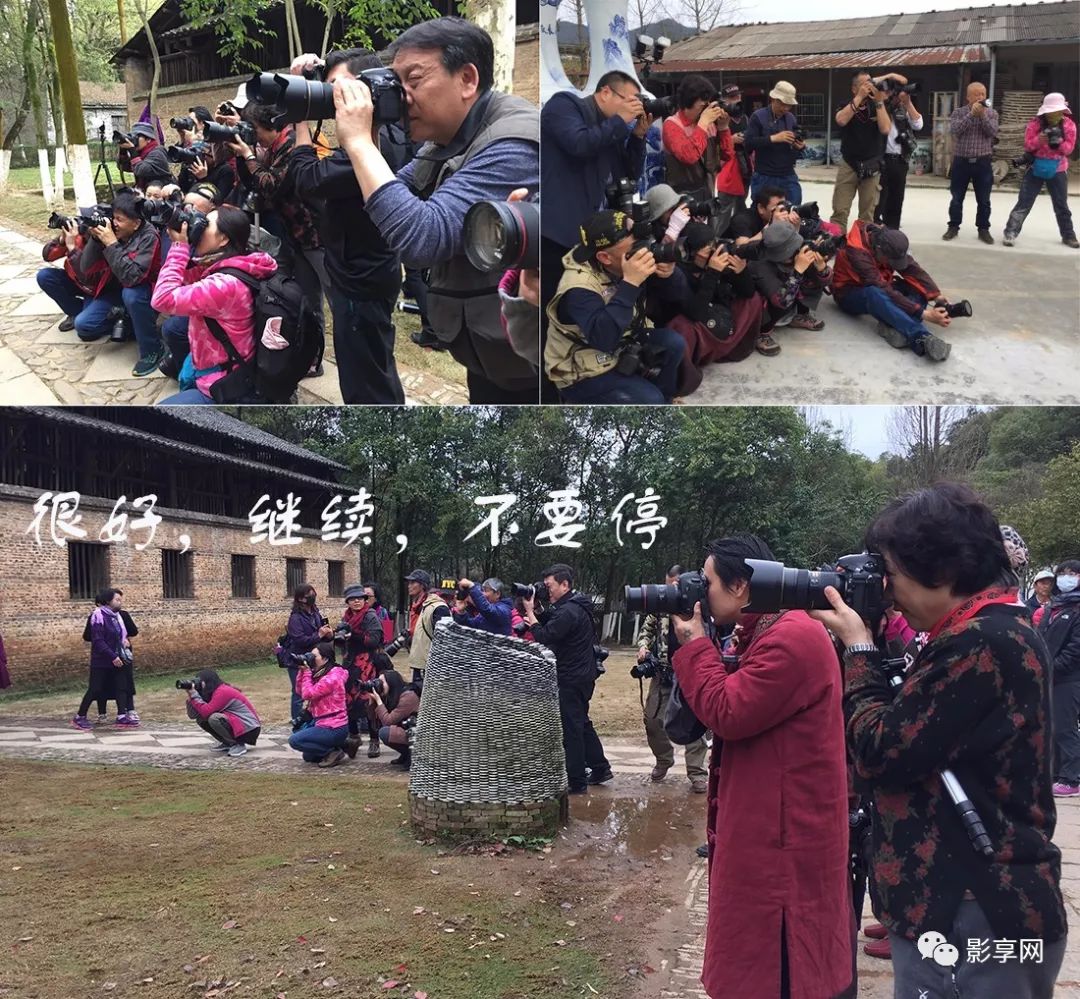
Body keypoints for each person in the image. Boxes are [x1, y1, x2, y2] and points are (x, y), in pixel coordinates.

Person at [811, 483, 1066, 998]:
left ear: (943, 571)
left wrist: (858, 648)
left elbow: (880, 750)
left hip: (974, 906)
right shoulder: (994, 630)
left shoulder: (981, 643)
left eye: (893, 575)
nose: (887, 590)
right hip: (974, 898)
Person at [321, 18, 541, 404]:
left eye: (414, 79)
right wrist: (367, 144)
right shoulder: (447, 139)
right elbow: (389, 201)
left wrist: (359, 145)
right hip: (492, 355)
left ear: (468, 79)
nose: (401, 96)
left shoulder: (513, 142)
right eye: (394, 82)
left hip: (538, 371)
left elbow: (423, 238)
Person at [669, 534, 851, 999]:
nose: (700, 593)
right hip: (771, 824)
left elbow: (728, 710)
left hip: (783, 842)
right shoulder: (771, 630)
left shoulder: (792, 637)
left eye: (706, 583)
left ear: (741, 587)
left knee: (777, 967)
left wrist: (693, 644)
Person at [288, 48, 405, 405]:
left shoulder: (365, 152)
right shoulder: (393, 134)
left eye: (342, 88)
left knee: (363, 382)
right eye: (330, 89)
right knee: (377, 363)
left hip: (357, 281)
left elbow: (305, 178)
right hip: (375, 271)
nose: (335, 98)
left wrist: (300, 118)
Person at [541, 69, 649, 363]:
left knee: (577, 309)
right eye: (630, 100)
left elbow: (627, 174)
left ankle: (582, 361)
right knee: (550, 306)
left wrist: (638, 137)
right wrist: (618, 123)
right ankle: (550, 373)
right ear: (605, 93)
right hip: (553, 232)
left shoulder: (609, 130)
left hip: (584, 233)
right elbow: (578, 144)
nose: (635, 107)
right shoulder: (564, 105)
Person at [545, 209, 688, 404]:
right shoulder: (578, 289)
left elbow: (677, 296)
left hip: (623, 340)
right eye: (633, 249)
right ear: (604, 257)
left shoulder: (626, 261)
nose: (642, 251)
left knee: (674, 343)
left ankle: (666, 400)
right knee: (649, 399)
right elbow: (603, 339)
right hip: (582, 366)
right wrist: (630, 284)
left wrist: (669, 274)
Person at [231, 103, 331, 371]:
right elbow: (253, 183)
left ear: (270, 126)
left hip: (315, 236)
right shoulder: (273, 147)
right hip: (295, 237)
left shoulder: (291, 143)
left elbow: (272, 186)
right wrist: (243, 157)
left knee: (333, 299)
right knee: (305, 299)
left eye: (255, 131)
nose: (255, 137)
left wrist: (249, 157)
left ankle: (329, 356)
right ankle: (310, 358)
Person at [152, 206, 277, 405]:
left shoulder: (226, 284)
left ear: (224, 239)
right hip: (226, 362)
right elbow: (183, 280)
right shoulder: (239, 261)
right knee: (174, 331)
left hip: (222, 380)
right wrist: (185, 244)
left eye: (205, 224)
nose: (198, 227)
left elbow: (162, 299)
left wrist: (178, 247)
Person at [522, 564, 611, 794]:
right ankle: (600, 768)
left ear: (565, 584)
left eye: (549, 586)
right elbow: (553, 619)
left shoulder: (570, 611)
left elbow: (546, 635)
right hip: (581, 675)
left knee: (571, 728)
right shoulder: (574, 606)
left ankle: (577, 781)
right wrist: (539, 610)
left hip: (571, 677)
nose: (547, 590)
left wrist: (531, 615)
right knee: (581, 722)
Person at [831, 221, 952, 361]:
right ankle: (921, 338)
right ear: (878, 250)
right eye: (891, 261)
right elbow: (882, 287)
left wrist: (937, 297)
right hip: (849, 294)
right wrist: (924, 314)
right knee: (874, 293)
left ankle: (892, 324)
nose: (894, 265)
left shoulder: (887, 239)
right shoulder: (856, 252)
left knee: (918, 288)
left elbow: (911, 269)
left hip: (880, 284)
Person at [636, 565, 708, 793]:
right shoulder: (659, 605)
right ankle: (664, 759)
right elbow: (646, 631)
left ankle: (696, 773)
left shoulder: (701, 605)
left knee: (694, 723)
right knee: (652, 720)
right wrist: (643, 647)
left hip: (691, 671)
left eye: (676, 585)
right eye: (668, 585)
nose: (671, 590)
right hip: (663, 672)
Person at [662, 222, 769, 374]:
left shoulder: (718, 256)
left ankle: (733, 348)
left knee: (754, 299)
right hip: (697, 324)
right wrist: (712, 272)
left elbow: (748, 293)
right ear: (692, 253)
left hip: (720, 316)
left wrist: (741, 272)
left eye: (714, 245)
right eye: (707, 250)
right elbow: (695, 312)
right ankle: (687, 369)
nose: (714, 252)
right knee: (682, 325)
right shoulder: (680, 271)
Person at [78, 190, 164, 376]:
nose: (113, 224)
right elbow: (86, 268)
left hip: (145, 292)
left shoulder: (149, 236)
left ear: (136, 223)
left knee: (131, 295)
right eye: (113, 217)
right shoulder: (113, 232)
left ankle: (152, 349)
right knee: (84, 326)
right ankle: (131, 323)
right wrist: (95, 239)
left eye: (119, 219)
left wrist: (111, 244)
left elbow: (133, 277)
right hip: (116, 290)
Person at [1003, 92, 1078, 249]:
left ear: (1062, 111)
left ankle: (1069, 236)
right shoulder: (1034, 124)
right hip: (1035, 166)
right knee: (1024, 202)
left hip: (1058, 169)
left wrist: (1058, 142)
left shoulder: (1069, 125)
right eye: (1051, 112)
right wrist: (1039, 140)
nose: (1054, 115)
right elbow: (1028, 146)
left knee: (1061, 205)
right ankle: (1010, 232)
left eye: (1057, 112)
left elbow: (1069, 149)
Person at [1039, 559, 1080, 796]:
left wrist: (1051, 667)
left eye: (1073, 573)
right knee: (1051, 727)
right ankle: (1055, 774)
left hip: (1068, 678)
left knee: (1065, 728)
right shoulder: (1054, 607)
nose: (1067, 577)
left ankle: (1071, 778)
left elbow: (1075, 650)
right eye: (1062, 573)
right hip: (1049, 676)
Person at [830, 71, 892, 230]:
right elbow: (841, 120)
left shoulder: (878, 105)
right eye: (864, 84)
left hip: (872, 165)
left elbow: (885, 129)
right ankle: (836, 244)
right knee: (840, 209)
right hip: (849, 163)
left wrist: (879, 102)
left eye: (870, 83)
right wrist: (859, 98)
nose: (868, 87)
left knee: (867, 214)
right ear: (854, 88)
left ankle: (861, 248)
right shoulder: (845, 103)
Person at [37, 215, 117, 337]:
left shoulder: (104, 243)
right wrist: (62, 240)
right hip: (77, 282)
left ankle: (115, 321)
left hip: (96, 290)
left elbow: (88, 276)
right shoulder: (77, 236)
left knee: (85, 330)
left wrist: (72, 248)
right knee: (44, 276)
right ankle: (75, 312)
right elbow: (47, 256)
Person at [72, 588, 137, 730]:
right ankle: (80, 717)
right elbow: (98, 640)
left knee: (121, 686)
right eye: (117, 600)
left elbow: (118, 635)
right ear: (108, 601)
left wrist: (124, 641)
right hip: (102, 660)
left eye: (121, 600)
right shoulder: (98, 616)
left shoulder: (116, 617)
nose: (120, 603)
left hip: (118, 658)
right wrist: (112, 656)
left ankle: (122, 716)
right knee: (95, 689)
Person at [750, 223, 830, 338]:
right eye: (794, 250)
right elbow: (781, 301)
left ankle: (800, 315)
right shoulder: (760, 264)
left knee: (811, 275)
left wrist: (822, 269)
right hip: (765, 308)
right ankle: (762, 333)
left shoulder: (797, 251)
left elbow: (825, 283)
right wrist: (798, 271)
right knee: (781, 294)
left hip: (787, 300)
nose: (799, 251)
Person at [944, 82, 998, 244]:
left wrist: (981, 116)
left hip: (983, 162)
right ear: (968, 97)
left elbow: (992, 132)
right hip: (962, 161)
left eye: (982, 94)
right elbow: (955, 131)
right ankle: (953, 226)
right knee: (956, 197)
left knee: (984, 199)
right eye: (976, 94)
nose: (980, 97)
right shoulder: (959, 112)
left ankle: (983, 229)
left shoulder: (992, 113)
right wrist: (971, 115)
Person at [662, 75, 726, 203]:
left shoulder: (708, 123)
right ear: (687, 103)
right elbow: (689, 156)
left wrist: (723, 127)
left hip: (707, 191)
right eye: (702, 107)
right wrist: (703, 123)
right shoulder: (672, 124)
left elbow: (727, 155)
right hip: (681, 197)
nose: (706, 111)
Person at [338, 584, 385, 759]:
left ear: (365, 600)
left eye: (360, 598)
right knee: (347, 700)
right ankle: (354, 736)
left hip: (368, 664)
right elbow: (342, 643)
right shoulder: (346, 617)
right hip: (350, 664)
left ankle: (374, 739)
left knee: (369, 702)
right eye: (352, 598)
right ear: (348, 602)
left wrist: (354, 636)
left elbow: (374, 640)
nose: (356, 601)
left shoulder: (370, 616)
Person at [277, 583, 333, 726]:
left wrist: (328, 634)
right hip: (298, 660)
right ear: (301, 599)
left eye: (314, 594)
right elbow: (300, 640)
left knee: (316, 690)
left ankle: (315, 717)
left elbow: (322, 632)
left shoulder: (315, 613)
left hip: (315, 658)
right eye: (310, 595)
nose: (313, 597)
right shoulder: (295, 618)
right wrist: (319, 635)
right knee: (299, 693)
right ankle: (297, 721)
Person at [287, 643, 350, 768]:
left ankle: (333, 752)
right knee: (308, 756)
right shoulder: (320, 673)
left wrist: (306, 672)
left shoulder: (333, 677)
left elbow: (308, 694)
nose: (311, 658)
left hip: (334, 726)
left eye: (314, 656)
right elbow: (300, 691)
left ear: (325, 659)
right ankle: (344, 745)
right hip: (322, 723)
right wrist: (302, 671)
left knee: (295, 741)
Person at [743, 81, 805, 203]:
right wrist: (773, 138)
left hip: (787, 174)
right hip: (764, 175)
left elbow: (795, 140)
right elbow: (748, 143)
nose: (786, 108)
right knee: (761, 212)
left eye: (789, 105)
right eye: (782, 104)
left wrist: (800, 146)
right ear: (773, 99)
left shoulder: (790, 118)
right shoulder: (758, 116)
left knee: (794, 209)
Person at [184, 669, 262, 758]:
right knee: (201, 720)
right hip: (238, 724)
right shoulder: (211, 692)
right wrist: (191, 695)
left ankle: (238, 744)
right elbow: (193, 715)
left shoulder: (223, 691)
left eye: (200, 681)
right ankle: (228, 743)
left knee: (214, 718)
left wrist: (194, 694)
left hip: (249, 728)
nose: (198, 684)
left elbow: (206, 712)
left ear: (208, 681)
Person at [395, 569, 451, 691]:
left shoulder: (438, 607)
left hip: (432, 667)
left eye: (413, 582)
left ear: (422, 585)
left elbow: (445, 640)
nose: (409, 586)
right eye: (408, 583)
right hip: (419, 664)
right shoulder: (417, 607)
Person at [875, 86, 923, 230]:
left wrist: (908, 103)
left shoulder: (902, 110)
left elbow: (918, 124)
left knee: (896, 198)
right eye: (892, 94)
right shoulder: (879, 107)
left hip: (899, 160)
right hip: (881, 159)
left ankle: (893, 229)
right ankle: (875, 227)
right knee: (879, 198)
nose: (895, 98)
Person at [368, 668, 421, 768]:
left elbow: (388, 721)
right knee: (384, 731)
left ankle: (411, 755)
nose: (379, 685)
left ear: (392, 683)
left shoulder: (408, 697)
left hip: (417, 734)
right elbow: (374, 721)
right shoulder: (391, 696)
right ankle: (406, 754)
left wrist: (379, 701)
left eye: (382, 682)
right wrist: (373, 702)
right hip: (407, 730)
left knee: (385, 732)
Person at [117, 122, 173, 192]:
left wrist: (132, 151)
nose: (135, 140)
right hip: (145, 191)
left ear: (148, 139)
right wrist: (123, 152)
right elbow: (124, 167)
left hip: (159, 194)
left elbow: (141, 171)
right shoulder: (140, 152)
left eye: (137, 137)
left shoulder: (158, 152)